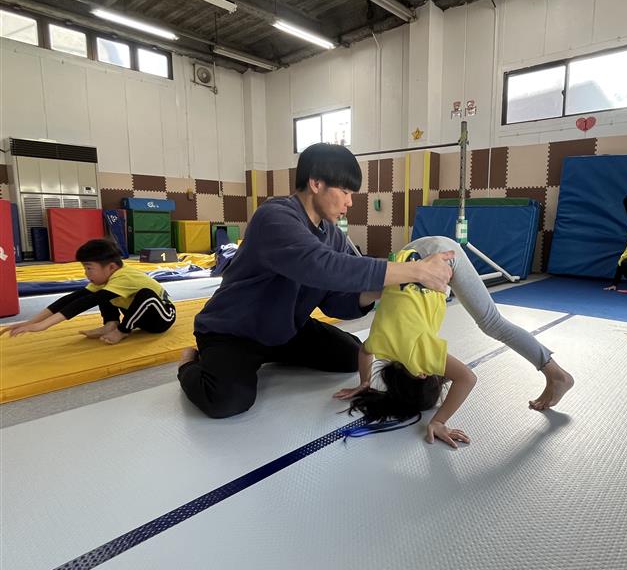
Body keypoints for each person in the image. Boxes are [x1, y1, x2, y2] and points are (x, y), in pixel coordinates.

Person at [177, 143, 454, 419]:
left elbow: (337, 301)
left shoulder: (331, 234)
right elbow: (321, 266)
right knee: (227, 400)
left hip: (284, 329)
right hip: (234, 331)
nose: (350, 202)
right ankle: (188, 363)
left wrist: (381, 290)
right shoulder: (274, 217)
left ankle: (270, 353)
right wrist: (415, 271)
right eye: (345, 192)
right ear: (316, 183)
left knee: (351, 355)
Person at [333, 236, 574, 449]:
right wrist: (364, 382)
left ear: (421, 374)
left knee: (492, 322)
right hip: (409, 253)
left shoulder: (421, 356)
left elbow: (467, 378)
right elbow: (364, 353)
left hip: (442, 255)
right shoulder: (380, 342)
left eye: (438, 377)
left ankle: (557, 375)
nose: (442, 375)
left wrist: (439, 421)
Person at [0, 239, 175, 344]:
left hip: (161, 318)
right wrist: (31, 322)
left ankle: (122, 330)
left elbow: (85, 304)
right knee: (99, 292)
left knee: (144, 294)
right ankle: (111, 324)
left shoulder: (125, 276)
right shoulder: (108, 276)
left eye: (89, 268)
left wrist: (42, 326)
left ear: (111, 266)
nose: (86, 274)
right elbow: (74, 298)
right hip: (138, 317)